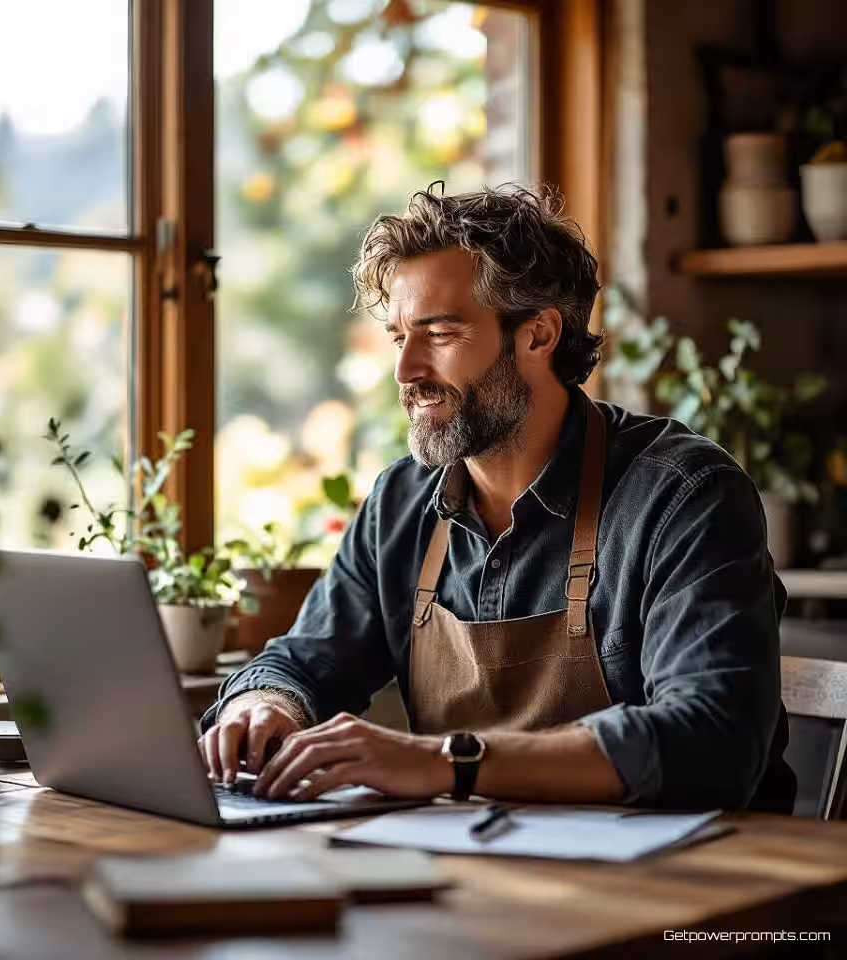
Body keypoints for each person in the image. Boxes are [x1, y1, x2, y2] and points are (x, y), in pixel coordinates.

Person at [198, 183, 795, 813]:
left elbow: (712, 740)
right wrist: (263, 704)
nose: (406, 372)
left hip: (690, 886)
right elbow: (306, 660)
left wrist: (443, 762)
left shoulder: (685, 497)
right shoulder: (400, 502)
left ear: (536, 336)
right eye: (399, 337)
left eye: (441, 334)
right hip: (476, 875)